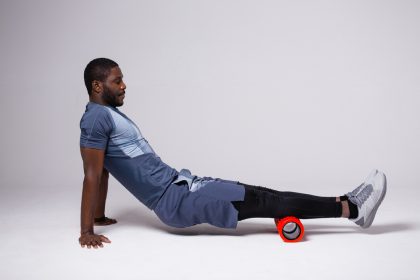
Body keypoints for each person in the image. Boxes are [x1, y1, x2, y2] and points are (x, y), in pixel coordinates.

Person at [78, 58, 387, 249]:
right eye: (116, 80)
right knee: (267, 201)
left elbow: (103, 170)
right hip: (176, 201)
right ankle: (353, 209)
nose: (124, 85)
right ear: (97, 85)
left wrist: (99, 215)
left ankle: (343, 203)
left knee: (264, 195)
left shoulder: (106, 115)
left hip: (183, 184)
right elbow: (92, 174)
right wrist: (86, 230)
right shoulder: (96, 117)